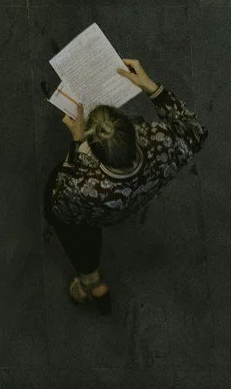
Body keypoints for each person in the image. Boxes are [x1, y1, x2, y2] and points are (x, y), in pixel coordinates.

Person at [46, 57, 207, 312]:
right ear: (133, 131)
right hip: (136, 197)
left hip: (103, 210)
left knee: (79, 233)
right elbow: (194, 132)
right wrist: (152, 87)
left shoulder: (88, 187)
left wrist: (76, 144)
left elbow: (60, 206)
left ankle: (90, 278)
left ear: (95, 152)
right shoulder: (160, 140)